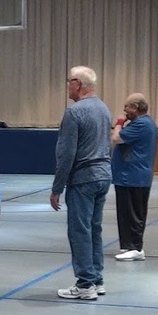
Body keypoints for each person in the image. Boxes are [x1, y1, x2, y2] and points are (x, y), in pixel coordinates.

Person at [51, 66, 112, 300]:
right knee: (94, 229)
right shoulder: (104, 109)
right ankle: (97, 279)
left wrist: (57, 188)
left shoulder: (74, 113)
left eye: (69, 81)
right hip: (103, 176)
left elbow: (66, 154)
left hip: (83, 179)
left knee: (79, 231)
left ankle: (85, 284)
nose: (67, 86)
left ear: (77, 83)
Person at [111, 93, 158, 261]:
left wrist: (118, 124)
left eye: (127, 107)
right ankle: (128, 245)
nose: (124, 110)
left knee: (133, 212)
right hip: (129, 176)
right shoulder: (143, 123)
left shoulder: (141, 124)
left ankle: (136, 247)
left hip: (133, 176)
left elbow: (117, 138)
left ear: (136, 108)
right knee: (125, 212)